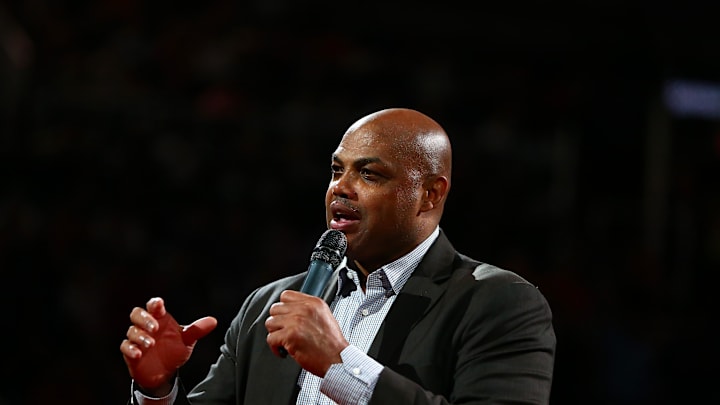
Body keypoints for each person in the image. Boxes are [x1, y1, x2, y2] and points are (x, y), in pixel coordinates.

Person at [120, 107, 556, 404]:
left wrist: (340, 364)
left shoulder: (498, 304)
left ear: (429, 193)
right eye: (336, 170)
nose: (340, 188)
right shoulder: (269, 304)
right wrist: (158, 392)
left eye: (368, 173)